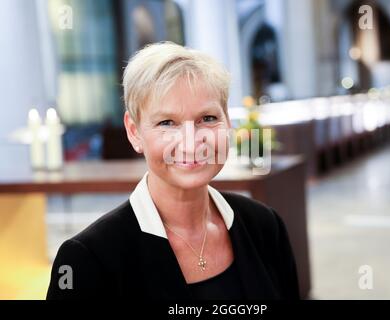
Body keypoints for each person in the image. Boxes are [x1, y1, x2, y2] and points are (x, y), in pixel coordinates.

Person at [46, 41, 300, 300]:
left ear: (227, 121)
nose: (191, 142)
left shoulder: (265, 226)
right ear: (134, 132)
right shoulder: (86, 259)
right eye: (167, 123)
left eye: (208, 118)